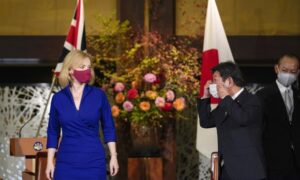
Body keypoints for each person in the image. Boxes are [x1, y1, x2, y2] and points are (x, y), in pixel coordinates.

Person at [45, 50, 119, 180]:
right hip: (66, 162)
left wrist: (114, 156)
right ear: (70, 70)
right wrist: (49, 161)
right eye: (82, 67)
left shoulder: (99, 95)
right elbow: (53, 132)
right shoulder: (58, 98)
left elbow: (109, 127)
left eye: (89, 67)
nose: (87, 70)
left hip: (94, 161)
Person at [197, 62, 266, 180]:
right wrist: (205, 96)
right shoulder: (225, 103)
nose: (211, 84)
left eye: (215, 80)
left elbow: (242, 118)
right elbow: (206, 122)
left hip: (248, 169)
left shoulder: (252, 100)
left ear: (229, 81)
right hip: (228, 168)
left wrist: (225, 98)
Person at [257, 54, 300, 180]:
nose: (288, 74)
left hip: (297, 163)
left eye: (292, 71)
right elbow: (259, 128)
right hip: (273, 162)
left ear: (298, 72)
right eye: (284, 70)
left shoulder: (298, 95)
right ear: (276, 69)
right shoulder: (263, 95)